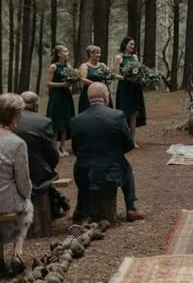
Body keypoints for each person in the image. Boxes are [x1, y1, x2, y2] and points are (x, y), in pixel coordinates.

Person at [71, 83, 144, 222]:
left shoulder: (76, 120)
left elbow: (76, 149)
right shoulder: (117, 116)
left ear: (88, 99)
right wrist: (115, 153)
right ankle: (131, 207)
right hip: (111, 169)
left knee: (83, 165)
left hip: (84, 172)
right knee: (126, 167)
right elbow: (129, 143)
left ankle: (80, 208)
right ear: (106, 97)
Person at [14, 91, 69, 219]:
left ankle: (56, 201)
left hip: (12, 173)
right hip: (38, 173)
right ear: (36, 105)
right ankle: (55, 203)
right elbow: (52, 154)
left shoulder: (9, 122)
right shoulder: (43, 122)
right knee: (46, 177)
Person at [0, 93, 33, 268]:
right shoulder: (17, 143)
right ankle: (17, 251)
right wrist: (27, 194)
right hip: (6, 203)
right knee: (27, 206)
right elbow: (23, 182)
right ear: (15, 115)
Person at [114, 37, 146, 146]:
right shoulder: (119, 57)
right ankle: (123, 137)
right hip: (124, 87)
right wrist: (126, 78)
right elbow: (115, 74)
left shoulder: (135, 57)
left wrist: (138, 77)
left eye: (133, 44)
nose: (132, 46)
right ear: (125, 44)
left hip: (134, 87)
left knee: (133, 112)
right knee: (123, 112)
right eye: (131, 44)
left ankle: (133, 139)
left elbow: (138, 70)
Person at [46, 44, 75, 157]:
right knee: (56, 119)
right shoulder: (53, 67)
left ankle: (62, 146)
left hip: (66, 95)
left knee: (65, 119)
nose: (68, 53)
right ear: (59, 54)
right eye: (65, 51)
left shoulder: (69, 67)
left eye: (68, 51)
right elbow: (48, 83)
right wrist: (62, 84)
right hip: (56, 96)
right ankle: (54, 147)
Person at [78, 45, 112, 113]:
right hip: (89, 93)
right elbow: (83, 79)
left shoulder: (102, 65)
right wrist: (96, 85)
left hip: (102, 93)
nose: (99, 55)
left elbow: (108, 76)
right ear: (91, 54)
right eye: (97, 53)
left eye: (99, 53)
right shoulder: (84, 66)